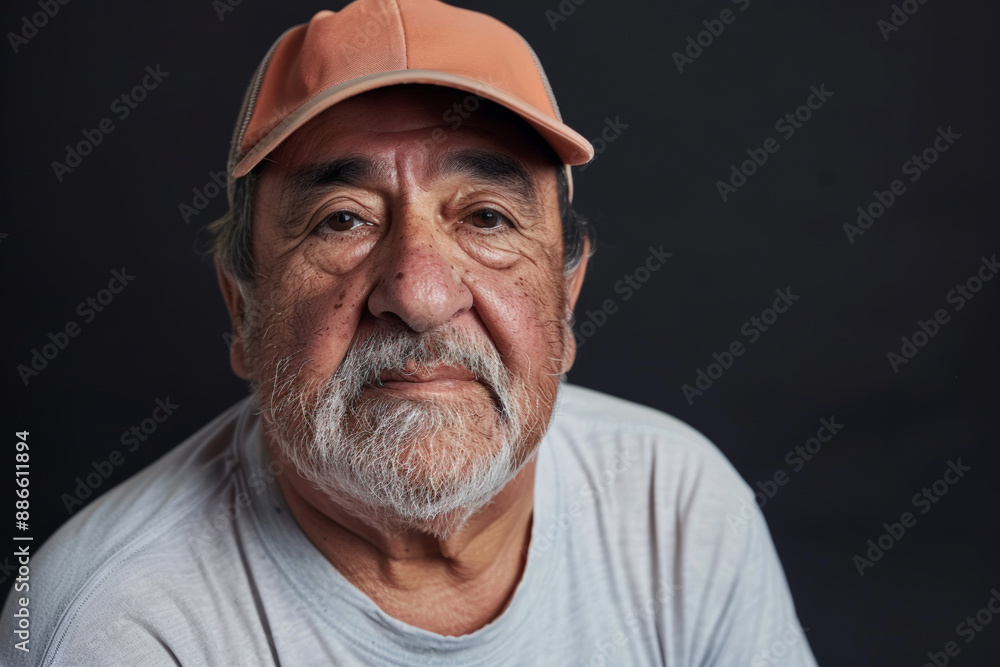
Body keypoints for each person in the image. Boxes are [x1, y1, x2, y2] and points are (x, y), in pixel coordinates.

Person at [2, 0, 817, 664]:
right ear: (242, 308)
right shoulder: (116, 627)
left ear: (567, 299)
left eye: (487, 217)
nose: (420, 294)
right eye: (342, 220)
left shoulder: (677, 509)